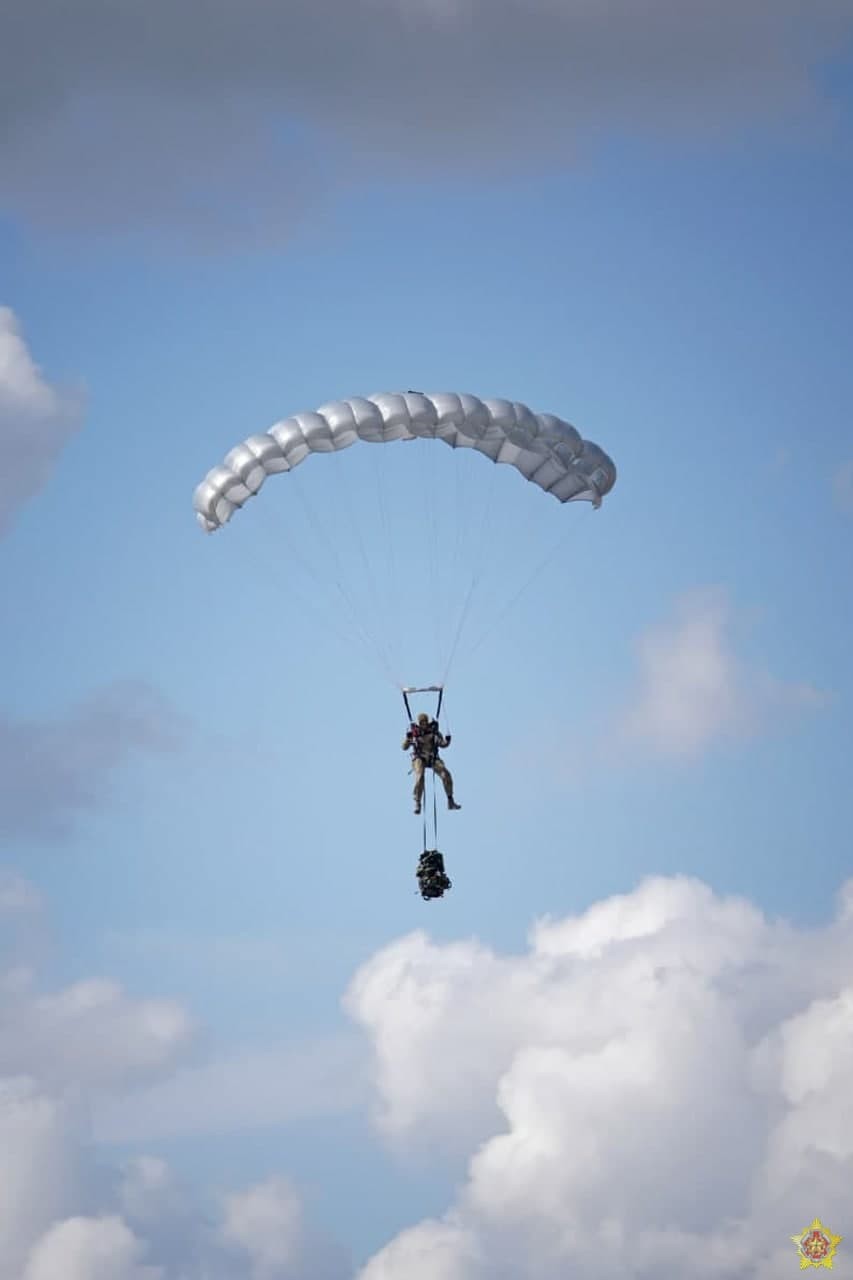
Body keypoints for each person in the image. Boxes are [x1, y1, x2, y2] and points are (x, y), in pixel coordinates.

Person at [402, 711, 462, 814]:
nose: (424, 725)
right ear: (419, 724)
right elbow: (404, 747)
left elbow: (442, 744)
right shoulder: (414, 733)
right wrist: (408, 739)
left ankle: (450, 800)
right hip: (419, 758)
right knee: (420, 776)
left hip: (432, 758)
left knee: (445, 774)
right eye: (422, 723)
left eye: (425, 722)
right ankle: (417, 802)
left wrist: (447, 741)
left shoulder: (433, 732)